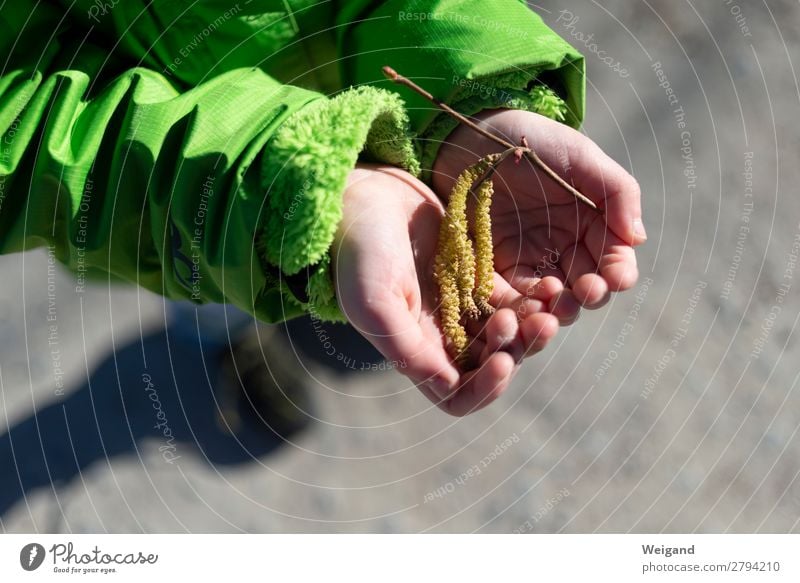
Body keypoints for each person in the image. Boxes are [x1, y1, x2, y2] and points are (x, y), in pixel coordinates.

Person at [0, 0, 644, 418]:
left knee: (375, 308)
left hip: (400, 145)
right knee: (212, 297)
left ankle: (327, 295)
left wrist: (475, 101)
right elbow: (27, 133)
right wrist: (285, 192)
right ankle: (239, 339)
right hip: (191, 209)